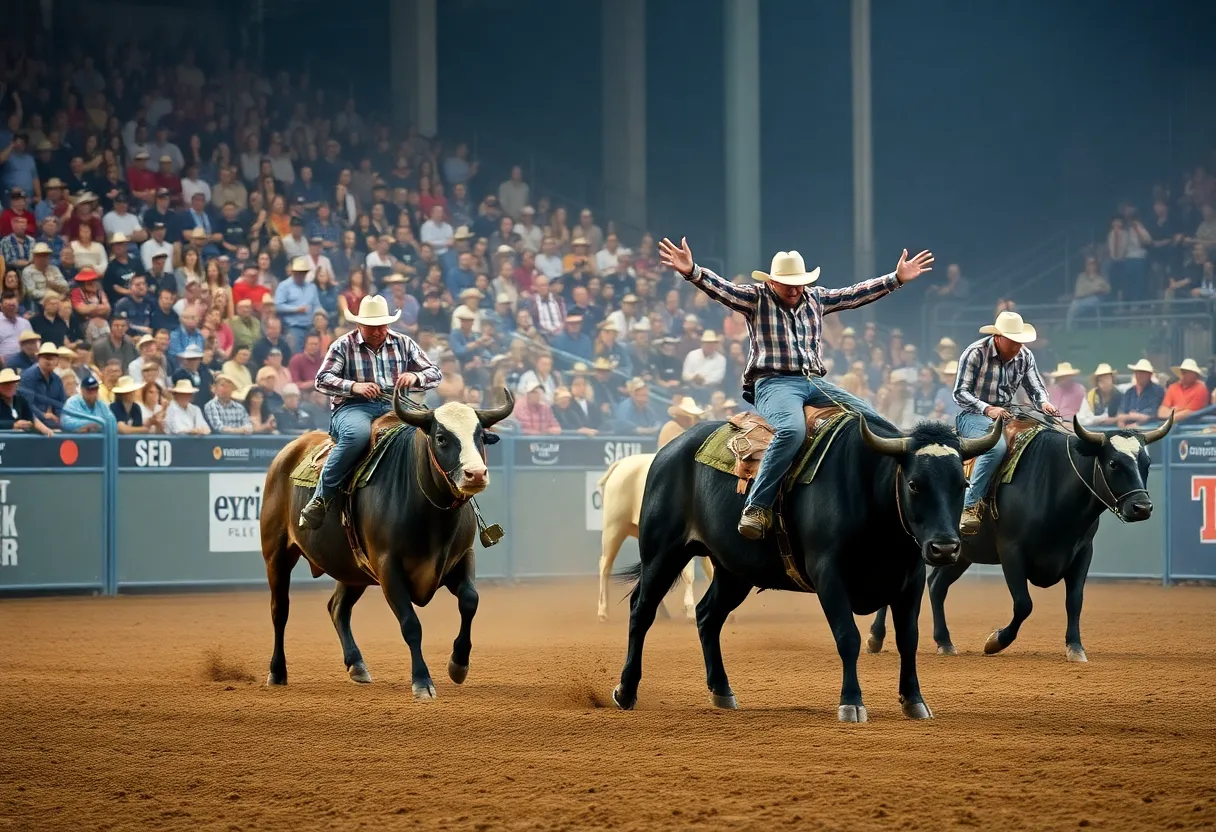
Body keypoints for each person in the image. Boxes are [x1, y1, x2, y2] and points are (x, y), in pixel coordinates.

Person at [659, 236, 934, 539]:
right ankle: (756, 506)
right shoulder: (756, 298)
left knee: (878, 421)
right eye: (787, 284)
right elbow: (723, 290)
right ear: (773, 282)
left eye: (799, 283)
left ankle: (895, 499)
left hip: (814, 381)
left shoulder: (816, 298)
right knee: (791, 430)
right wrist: (692, 271)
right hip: (773, 382)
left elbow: (855, 294)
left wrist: (895, 279)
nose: (794, 289)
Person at [300, 295, 442, 529]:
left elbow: (434, 373)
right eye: (372, 327)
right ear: (359, 325)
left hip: (396, 406)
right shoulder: (343, 345)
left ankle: (449, 495)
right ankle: (321, 499)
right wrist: (354, 386)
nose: (378, 332)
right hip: (352, 407)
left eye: (382, 326)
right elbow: (321, 380)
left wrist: (415, 376)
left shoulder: (403, 342)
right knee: (357, 436)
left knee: (434, 431)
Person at [954, 310, 1058, 534]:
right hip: (973, 416)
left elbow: (1035, 387)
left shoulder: (1025, 355)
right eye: (1013, 342)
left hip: (1008, 415)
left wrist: (1043, 403)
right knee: (995, 448)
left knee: (1041, 438)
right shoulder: (975, 353)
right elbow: (960, 393)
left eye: (1020, 342)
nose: (1017, 347)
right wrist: (988, 408)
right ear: (998, 338)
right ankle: (970, 505)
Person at [0, 367, 53, 434]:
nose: (9, 386)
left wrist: (46, 430)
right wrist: (13, 425)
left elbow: (32, 418)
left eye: (12, 383)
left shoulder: (21, 400)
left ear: (16, 385)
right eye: (5, 384)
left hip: (20, 440)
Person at [1117, 359, 1165, 429]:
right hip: (1128, 431)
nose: (1139, 375)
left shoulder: (1157, 391)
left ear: (1150, 375)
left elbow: (1150, 415)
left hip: (1150, 431)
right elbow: (1120, 414)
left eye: (1142, 372)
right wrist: (1121, 423)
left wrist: (1129, 417)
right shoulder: (1129, 392)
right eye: (1137, 372)